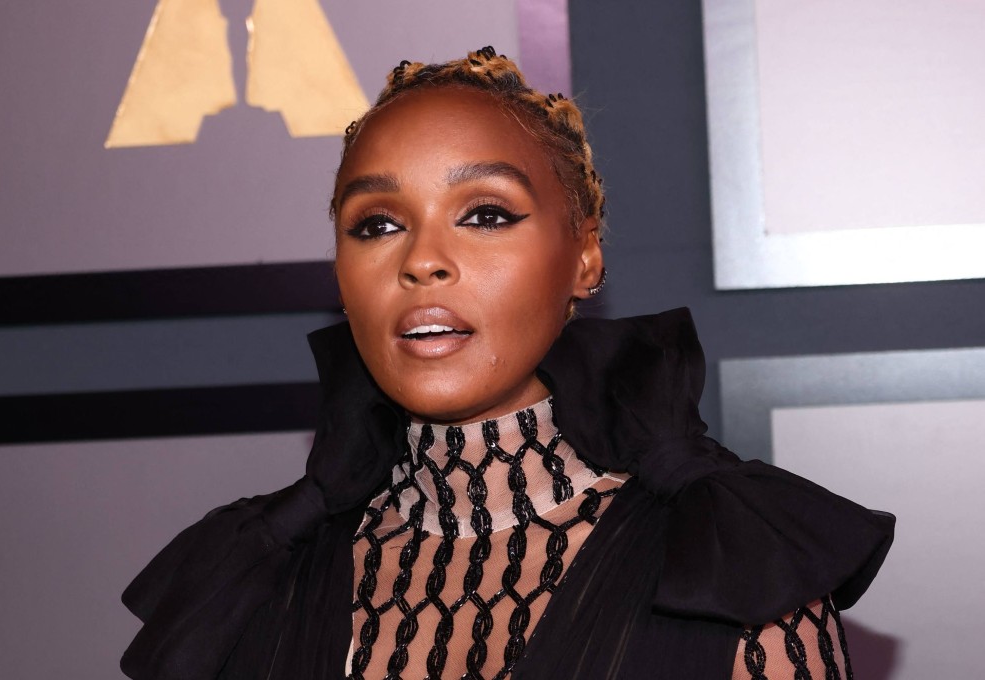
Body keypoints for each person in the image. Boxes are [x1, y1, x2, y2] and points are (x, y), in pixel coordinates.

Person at [120, 47, 894, 679]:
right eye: (378, 223)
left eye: (485, 215)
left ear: (584, 257)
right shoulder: (253, 583)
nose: (423, 260)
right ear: (340, 275)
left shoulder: (733, 579)